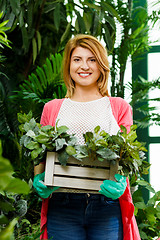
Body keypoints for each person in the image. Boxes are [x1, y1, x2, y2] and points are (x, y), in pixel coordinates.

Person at [33, 34, 141, 240]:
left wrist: (122, 181)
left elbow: (128, 155)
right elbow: (40, 151)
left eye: (92, 60)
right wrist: (38, 178)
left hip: (106, 206)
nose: (84, 66)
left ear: (101, 65)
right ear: (69, 65)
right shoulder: (52, 108)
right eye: (77, 59)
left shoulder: (119, 107)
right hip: (62, 206)